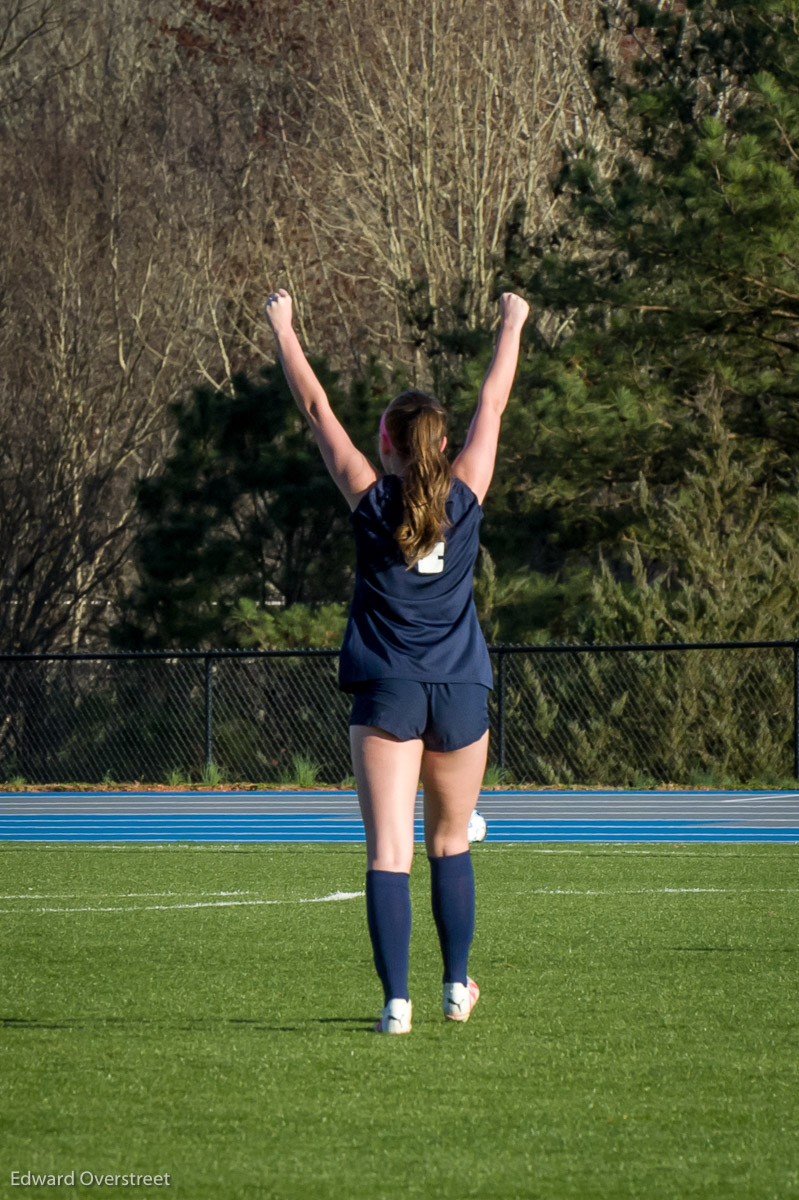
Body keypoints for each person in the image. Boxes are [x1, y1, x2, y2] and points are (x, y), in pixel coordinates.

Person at [264, 287, 530, 1033]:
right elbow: (494, 401)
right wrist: (511, 323)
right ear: (441, 448)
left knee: (390, 851)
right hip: (459, 694)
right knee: (450, 843)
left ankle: (395, 1005)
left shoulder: (368, 499)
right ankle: (454, 988)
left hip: (388, 692)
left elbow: (317, 411)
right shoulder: (467, 495)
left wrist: (284, 326)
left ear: (384, 445)